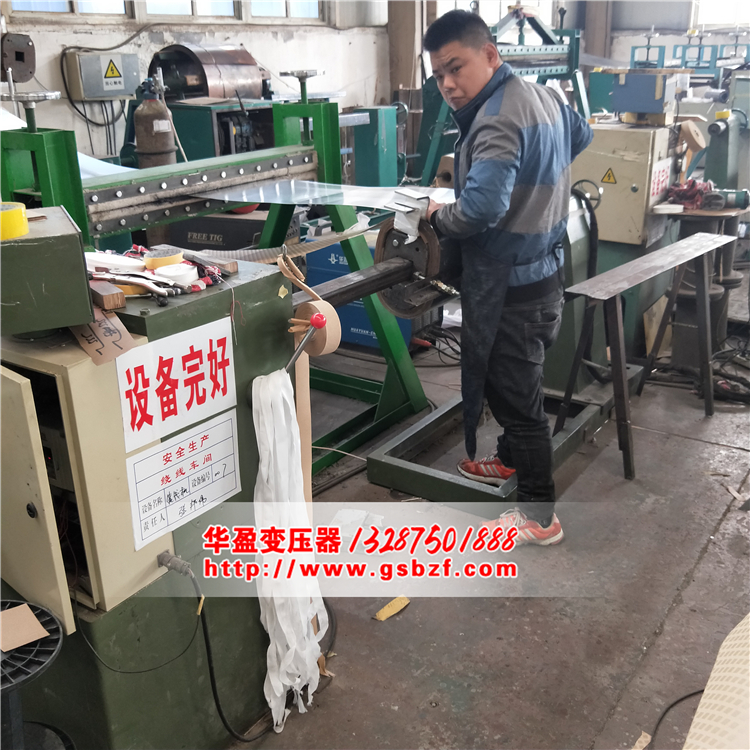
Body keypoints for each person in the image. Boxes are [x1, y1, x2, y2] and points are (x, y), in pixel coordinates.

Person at [423, 10, 593, 545]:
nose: (448, 84)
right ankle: (507, 460)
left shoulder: (496, 119)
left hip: (511, 291)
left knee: (520, 407)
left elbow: (480, 210)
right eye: (439, 75)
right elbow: (581, 136)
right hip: (544, 274)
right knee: (519, 385)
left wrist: (436, 218)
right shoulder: (544, 95)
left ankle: (539, 518)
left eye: (456, 67)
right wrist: (537, 182)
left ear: (490, 54)